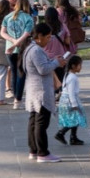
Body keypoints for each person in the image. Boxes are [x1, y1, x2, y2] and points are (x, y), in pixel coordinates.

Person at [23, 23, 67, 163]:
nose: (49, 40)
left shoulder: (30, 48)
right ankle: (43, 152)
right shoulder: (36, 50)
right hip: (40, 91)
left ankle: (34, 150)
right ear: (40, 36)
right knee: (41, 123)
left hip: (33, 89)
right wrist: (56, 63)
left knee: (34, 122)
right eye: (48, 37)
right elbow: (43, 69)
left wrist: (53, 61)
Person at [1, 0, 34, 110]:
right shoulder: (28, 18)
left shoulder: (8, 17)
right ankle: (17, 99)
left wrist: (12, 42)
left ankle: (15, 95)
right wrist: (16, 43)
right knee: (21, 73)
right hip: (22, 48)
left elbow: (2, 32)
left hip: (9, 49)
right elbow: (26, 34)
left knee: (14, 72)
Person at [54, 55, 86, 146]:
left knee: (74, 118)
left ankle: (73, 137)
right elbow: (71, 92)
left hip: (65, 99)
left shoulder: (67, 75)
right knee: (75, 119)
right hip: (70, 100)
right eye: (80, 65)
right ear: (73, 66)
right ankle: (61, 133)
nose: (81, 67)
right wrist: (74, 104)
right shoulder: (72, 77)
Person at [42, 6, 70, 86]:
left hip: (46, 58)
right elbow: (67, 42)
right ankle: (60, 94)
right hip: (60, 57)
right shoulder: (63, 26)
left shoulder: (43, 27)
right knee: (61, 79)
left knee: (48, 81)